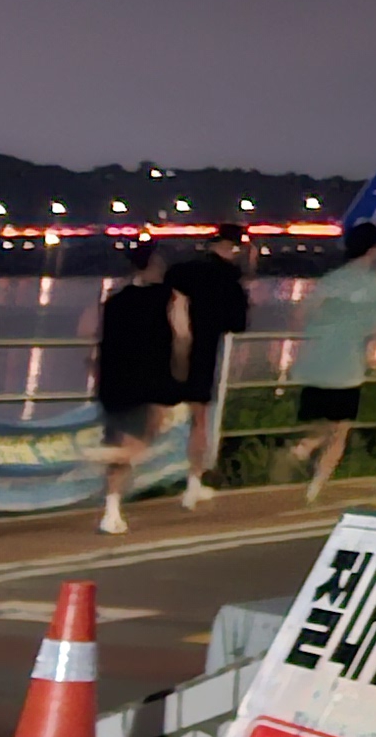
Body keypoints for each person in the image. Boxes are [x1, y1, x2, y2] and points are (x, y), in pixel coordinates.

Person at [81, 235, 188, 537]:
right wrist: (181, 371)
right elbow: (182, 336)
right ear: (156, 265)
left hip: (113, 379)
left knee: (121, 438)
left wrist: (95, 368)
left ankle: (112, 510)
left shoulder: (114, 300)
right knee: (141, 441)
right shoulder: (172, 298)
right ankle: (101, 458)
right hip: (150, 378)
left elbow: (89, 331)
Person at [285, 220, 376, 498]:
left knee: (318, 420)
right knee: (340, 431)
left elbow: (300, 316)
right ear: (374, 249)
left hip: (315, 364)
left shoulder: (331, 280)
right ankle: (315, 485)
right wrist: (369, 351)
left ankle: (306, 446)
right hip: (348, 367)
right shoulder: (373, 286)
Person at [164, 221, 251, 510]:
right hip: (202, 355)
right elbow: (237, 324)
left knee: (147, 416)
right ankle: (193, 483)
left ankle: (118, 490)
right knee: (198, 421)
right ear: (234, 248)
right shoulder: (230, 282)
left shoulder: (182, 270)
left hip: (162, 351)